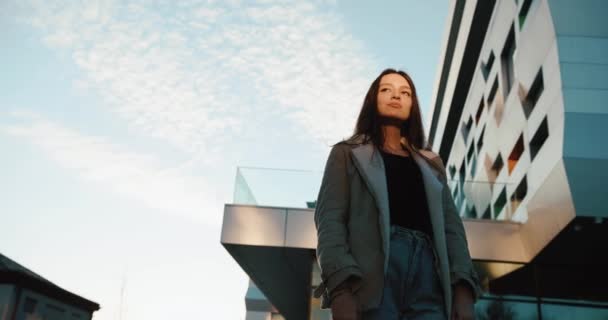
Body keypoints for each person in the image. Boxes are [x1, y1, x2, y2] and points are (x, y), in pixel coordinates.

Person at [313, 68, 481, 320]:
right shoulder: (346, 153)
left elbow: (452, 230)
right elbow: (330, 220)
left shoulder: (432, 164)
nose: (396, 96)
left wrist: (463, 290)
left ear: (412, 104)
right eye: (386, 89)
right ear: (373, 98)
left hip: (430, 280)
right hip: (373, 279)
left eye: (405, 92)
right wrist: (340, 290)